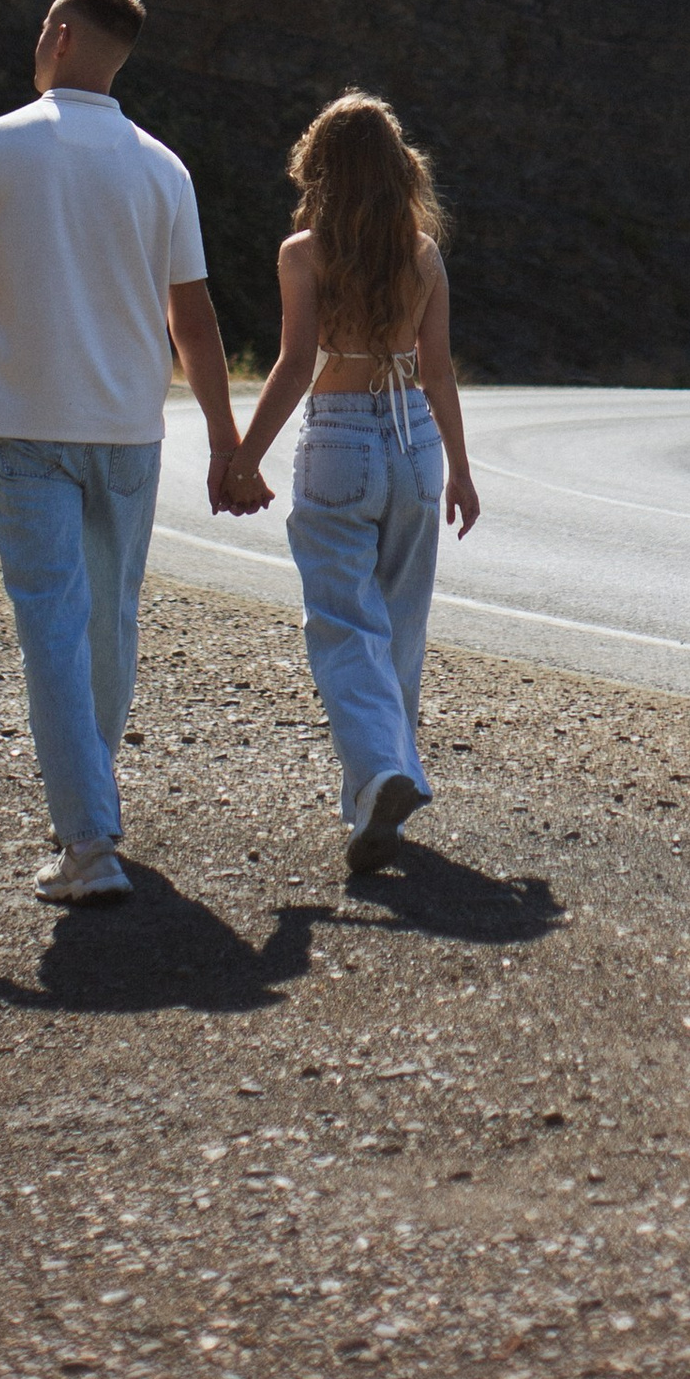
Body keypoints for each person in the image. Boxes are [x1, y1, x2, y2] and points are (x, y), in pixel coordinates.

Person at [0, 0, 247, 906]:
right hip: (129, 433)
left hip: (29, 432)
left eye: (43, 27)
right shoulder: (164, 169)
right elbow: (192, 319)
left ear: (64, 36)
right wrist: (224, 437)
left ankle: (88, 842)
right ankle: (90, 811)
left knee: (51, 628)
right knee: (107, 627)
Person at [223, 90, 480, 874]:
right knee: (399, 626)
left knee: (341, 623)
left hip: (340, 441)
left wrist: (244, 455)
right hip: (415, 445)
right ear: (400, 169)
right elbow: (436, 370)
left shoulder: (302, 253)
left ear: (320, 169)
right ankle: (379, 805)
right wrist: (461, 470)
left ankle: (380, 775)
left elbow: (297, 364)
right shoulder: (423, 252)